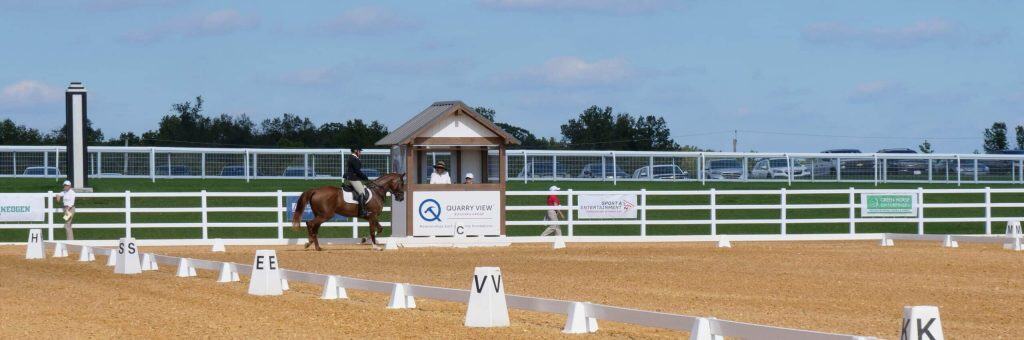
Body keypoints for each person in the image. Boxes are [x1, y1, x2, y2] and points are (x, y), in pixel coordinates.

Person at [343, 147, 370, 217]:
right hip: (353, 178)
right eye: (359, 151)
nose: (360, 153)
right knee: (362, 193)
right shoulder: (353, 158)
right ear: (355, 151)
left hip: (354, 177)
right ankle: (362, 212)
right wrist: (364, 177)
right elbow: (357, 171)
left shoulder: (354, 158)